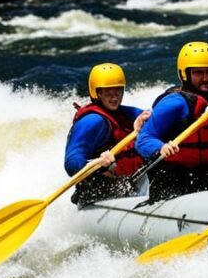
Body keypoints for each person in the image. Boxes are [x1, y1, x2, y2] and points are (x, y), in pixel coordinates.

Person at [136, 41, 208, 202]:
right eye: (198, 73)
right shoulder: (174, 103)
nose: (205, 78)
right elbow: (143, 140)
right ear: (184, 74)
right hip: (174, 178)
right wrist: (161, 147)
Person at [64, 63, 150, 206]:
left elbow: (155, 117)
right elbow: (71, 162)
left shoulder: (123, 113)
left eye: (118, 91)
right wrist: (96, 164)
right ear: (97, 93)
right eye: (108, 91)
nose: (114, 97)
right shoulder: (92, 121)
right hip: (98, 193)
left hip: (128, 183)